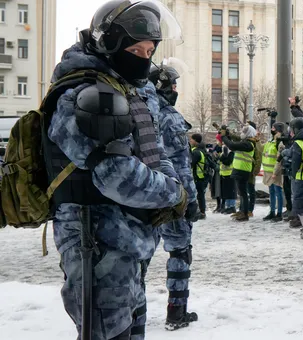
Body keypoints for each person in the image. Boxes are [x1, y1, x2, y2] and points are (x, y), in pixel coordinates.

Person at [46, 1, 188, 338]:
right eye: (135, 48)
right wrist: (174, 192)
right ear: (108, 44)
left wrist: (171, 183)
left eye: (149, 49)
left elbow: (153, 149)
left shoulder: (128, 91)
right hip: (95, 245)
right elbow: (116, 176)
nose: (144, 56)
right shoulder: (84, 95)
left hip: (130, 243)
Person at [147, 63, 200, 330]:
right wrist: (190, 201)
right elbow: (180, 164)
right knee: (180, 251)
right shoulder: (168, 116)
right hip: (170, 197)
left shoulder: (138, 108)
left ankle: (133, 315)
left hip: (140, 193)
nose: (176, 90)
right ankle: (176, 312)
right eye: (173, 85)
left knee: (138, 256)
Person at [221, 124, 257, 221]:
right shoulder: (245, 143)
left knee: (243, 193)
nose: (242, 133)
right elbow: (233, 143)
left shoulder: (248, 144)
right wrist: (227, 134)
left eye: (244, 131)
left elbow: (232, 145)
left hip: (243, 170)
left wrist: (224, 137)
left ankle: (245, 213)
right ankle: (242, 211)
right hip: (240, 169)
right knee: (241, 193)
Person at [261, 122, 286, 222]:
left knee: (278, 192)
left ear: (277, 129)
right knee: (271, 192)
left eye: (273, 127)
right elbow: (262, 150)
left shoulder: (279, 142)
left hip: (275, 172)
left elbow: (279, 159)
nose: (271, 129)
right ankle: (272, 212)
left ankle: (279, 213)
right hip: (268, 171)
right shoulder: (271, 141)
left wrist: (275, 172)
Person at [190, 133, 208, 220]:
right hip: (200, 177)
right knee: (200, 195)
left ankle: (201, 212)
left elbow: (191, 164)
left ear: (195, 141)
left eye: (192, 139)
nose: (190, 141)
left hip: (197, 177)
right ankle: (202, 211)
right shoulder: (199, 151)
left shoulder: (196, 152)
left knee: (199, 196)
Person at [218, 134, 237, 214]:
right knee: (226, 192)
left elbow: (228, 162)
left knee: (231, 191)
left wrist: (221, 159)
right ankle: (227, 206)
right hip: (224, 174)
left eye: (224, 144)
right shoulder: (224, 152)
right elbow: (221, 159)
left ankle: (232, 206)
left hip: (230, 174)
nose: (223, 145)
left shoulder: (231, 153)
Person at [247, 121, 263, 217]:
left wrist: (255, 171)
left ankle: (250, 210)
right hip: (246, 168)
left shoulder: (256, 141)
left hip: (251, 170)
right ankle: (244, 208)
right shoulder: (247, 139)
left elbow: (258, 157)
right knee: (245, 191)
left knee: (251, 190)